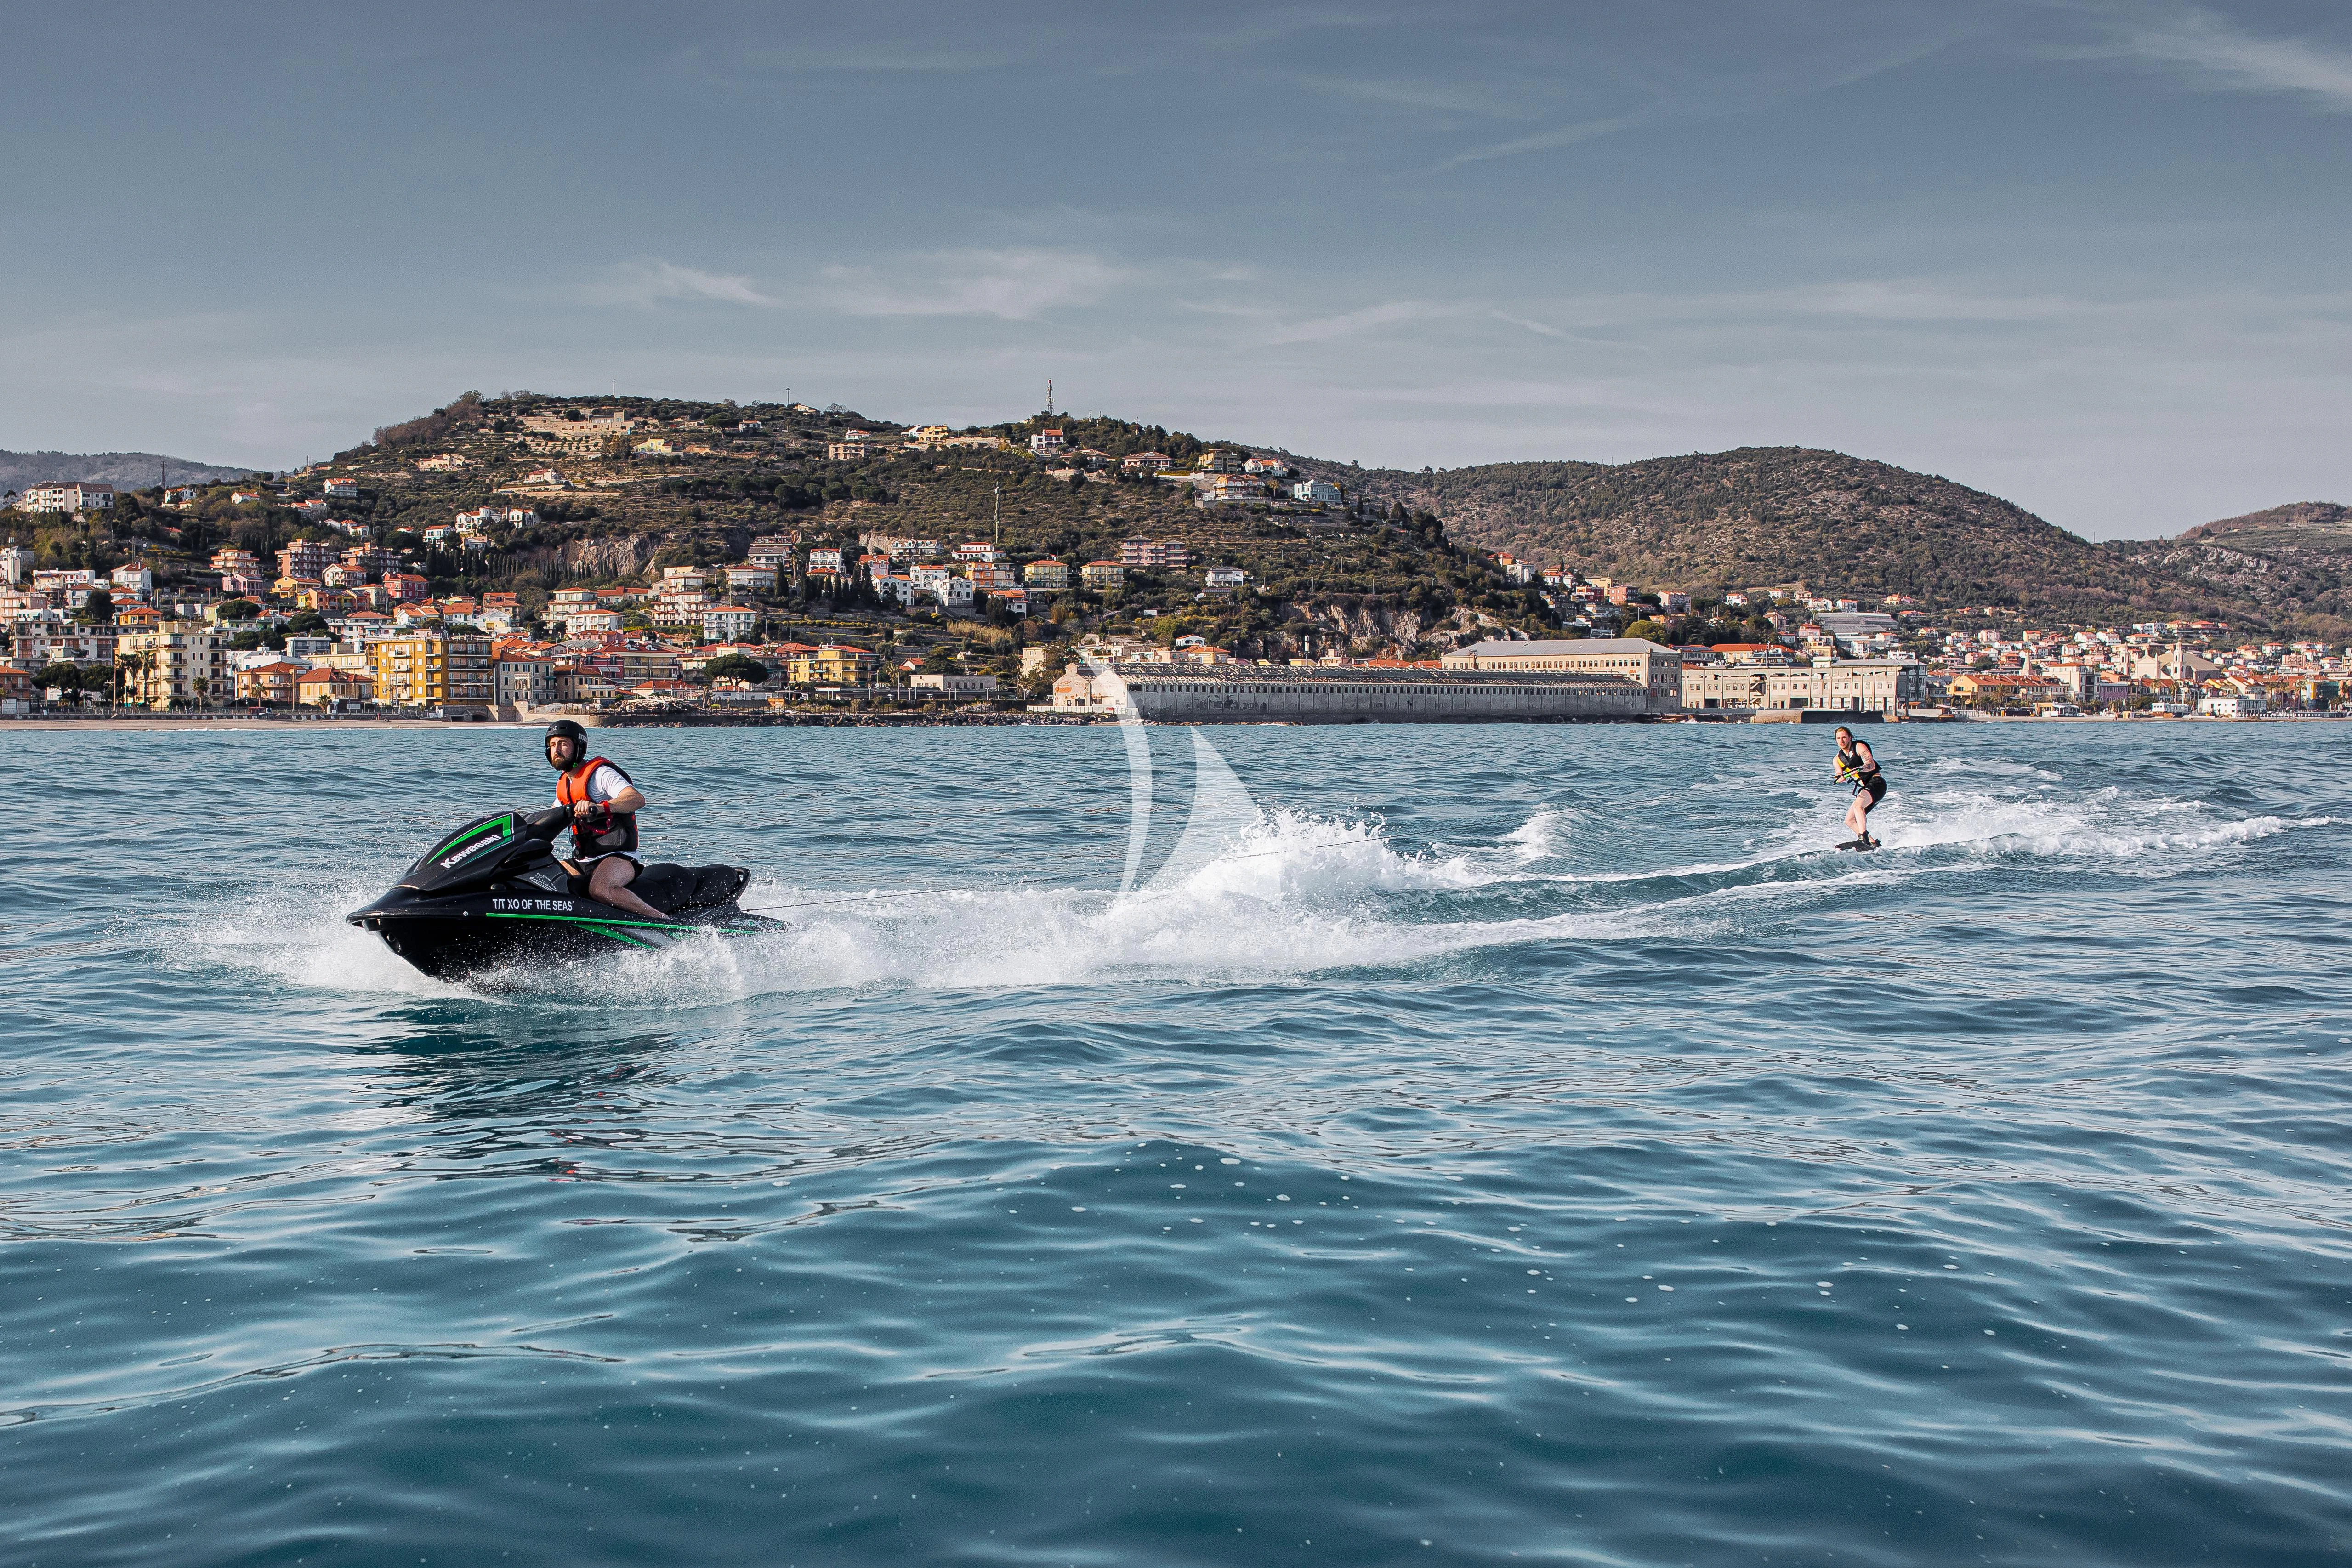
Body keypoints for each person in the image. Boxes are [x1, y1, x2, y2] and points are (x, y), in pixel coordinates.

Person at [543, 720, 668, 920]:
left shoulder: (600, 774)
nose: (557, 750)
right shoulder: (564, 785)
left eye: (563, 744)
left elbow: (636, 799)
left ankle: (660, 919)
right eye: (553, 745)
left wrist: (599, 808)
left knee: (600, 890)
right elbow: (549, 821)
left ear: (578, 747)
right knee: (543, 880)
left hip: (619, 857)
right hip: (582, 861)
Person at [1832, 726, 1887, 848]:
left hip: (1877, 783)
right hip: (1865, 788)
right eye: (1839, 738)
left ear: (1850, 738)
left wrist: (1858, 769)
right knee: (1850, 820)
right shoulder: (1837, 760)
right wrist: (1840, 778)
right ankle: (1873, 843)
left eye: (1844, 738)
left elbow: (1871, 765)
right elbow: (1838, 774)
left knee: (1858, 806)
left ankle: (1863, 839)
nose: (1842, 741)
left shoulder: (1859, 747)